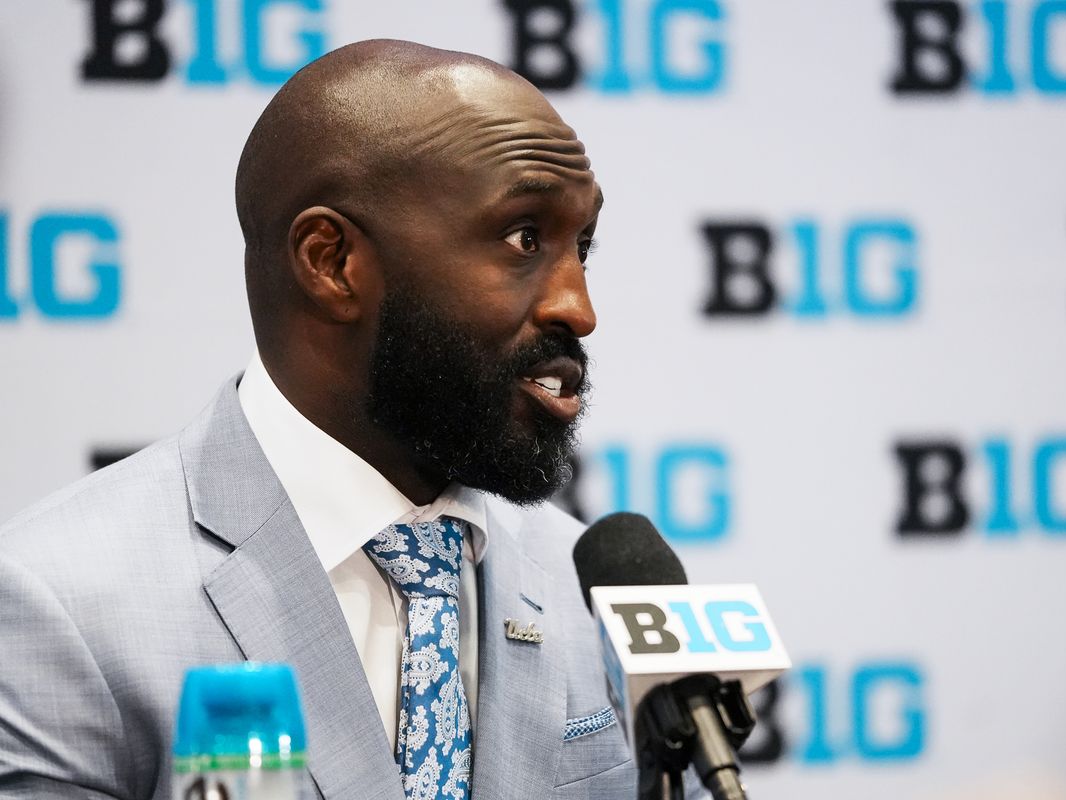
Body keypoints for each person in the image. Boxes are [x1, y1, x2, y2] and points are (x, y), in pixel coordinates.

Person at [0, 40, 644, 799]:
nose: (579, 307)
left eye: (583, 246)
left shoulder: (592, 586)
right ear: (330, 262)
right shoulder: (59, 601)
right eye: (524, 238)